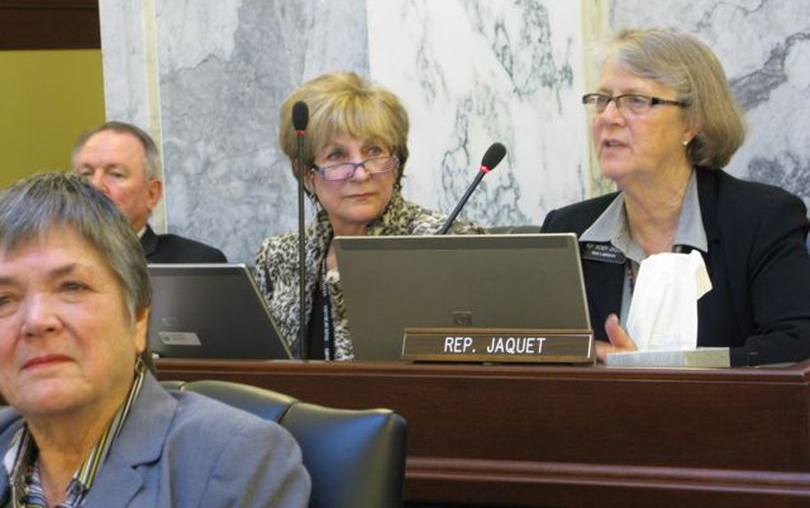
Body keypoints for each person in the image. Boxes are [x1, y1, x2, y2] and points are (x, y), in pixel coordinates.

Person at [0, 173, 310, 506]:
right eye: (4, 299)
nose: (36, 321)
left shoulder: (237, 460)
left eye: (72, 287)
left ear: (139, 319)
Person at [542, 28, 810, 366]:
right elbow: (536, 350)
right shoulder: (569, 230)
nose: (609, 117)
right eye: (602, 99)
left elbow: (797, 345)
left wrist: (655, 366)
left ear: (691, 123)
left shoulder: (761, 220)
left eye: (636, 100)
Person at [255, 72, 483, 360]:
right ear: (306, 174)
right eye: (337, 156)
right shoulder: (280, 255)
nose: (361, 173)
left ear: (397, 161)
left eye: (373, 151)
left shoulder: (446, 242)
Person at [72, 121, 227, 263]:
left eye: (116, 174)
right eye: (86, 174)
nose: (96, 185)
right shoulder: (51, 256)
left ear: (152, 194)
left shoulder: (196, 264)